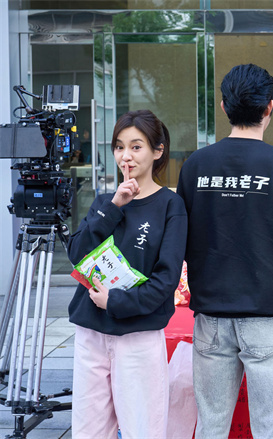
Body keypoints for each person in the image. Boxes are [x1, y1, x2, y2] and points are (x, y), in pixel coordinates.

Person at [176, 63, 273, 438]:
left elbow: (182, 238)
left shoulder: (196, 166)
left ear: (224, 106)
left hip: (211, 315)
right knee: (270, 429)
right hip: (267, 315)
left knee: (211, 426)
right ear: (269, 107)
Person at [67, 109, 187, 438]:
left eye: (136, 147)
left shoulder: (170, 205)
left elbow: (166, 280)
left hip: (138, 335)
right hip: (91, 332)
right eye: (119, 147)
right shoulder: (105, 202)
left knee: (143, 429)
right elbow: (76, 255)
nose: (126, 156)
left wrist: (115, 302)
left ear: (158, 151)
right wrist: (114, 206)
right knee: (89, 431)